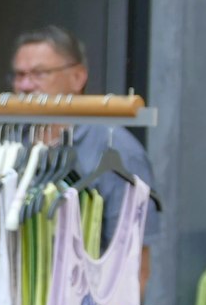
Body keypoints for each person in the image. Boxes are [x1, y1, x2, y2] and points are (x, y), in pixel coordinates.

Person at [11, 24, 158, 246]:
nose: (25, 85)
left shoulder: (117, 149)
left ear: (78, 77)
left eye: (39, 73)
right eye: (19, 75)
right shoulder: (9, 142)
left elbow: (135, 257)